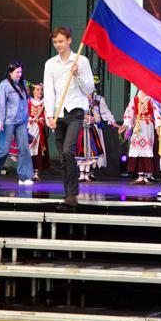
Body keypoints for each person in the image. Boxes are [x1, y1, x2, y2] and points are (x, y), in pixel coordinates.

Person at [44, 26, 94, 213]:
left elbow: (89, 89)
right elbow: (49, 90)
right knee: (63, 158)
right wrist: (49, 115)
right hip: (58, 113)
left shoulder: (81, 60)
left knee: (67, 151)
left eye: (61, 41)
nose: (58, 45)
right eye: (55, 42)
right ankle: (68, 196)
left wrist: (78, 74)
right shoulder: (51, 64)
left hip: (75, 111)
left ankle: (72, 195)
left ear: (69, 40)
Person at [0, 61, 35, 186]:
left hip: (21, 121)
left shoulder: (22, 84)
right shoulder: (4, 85)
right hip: (8, 121)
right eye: (17, 72)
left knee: (24, 148)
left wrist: (27, 119)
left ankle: (24, 177)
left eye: (20, 72)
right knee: (4, 150)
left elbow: (24, 103)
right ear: (10, 73)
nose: (19, 74)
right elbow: (0, 103)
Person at [120, 89, 160, 184]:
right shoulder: (135, 99)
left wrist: (158, 126)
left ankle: (146, 176)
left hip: (147, 127)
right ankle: (140, 176)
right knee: (137, 150)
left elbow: (157, 113)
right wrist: (126, 125)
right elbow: (129, 112)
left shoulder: (152, 100)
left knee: (146, 150)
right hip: (137, 127)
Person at [76, 94, 106, 181]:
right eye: (87, 94)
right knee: (81, 152)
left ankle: (87, 174)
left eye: (90, 95)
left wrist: (94, 118)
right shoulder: (79, 105)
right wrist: (84, 116)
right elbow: (76, 116)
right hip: (81, 130)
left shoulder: (93, 106)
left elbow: (97, 120)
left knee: (90, 153)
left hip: (90, 131)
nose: (88, 96)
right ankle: (81, 174)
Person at [27, 82, 50, 182]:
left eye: (41, 90)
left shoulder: (45, 103)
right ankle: (28, 171)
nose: (40, 92)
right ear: (33, 91)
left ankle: (36, 173)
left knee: (38, 151)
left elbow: (46, 115)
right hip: (30, 128)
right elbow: (26, 113)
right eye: (37, 89)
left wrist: (43, 120)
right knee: (28, 150)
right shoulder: (29, 101)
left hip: (39, 130)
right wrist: (30, 120)